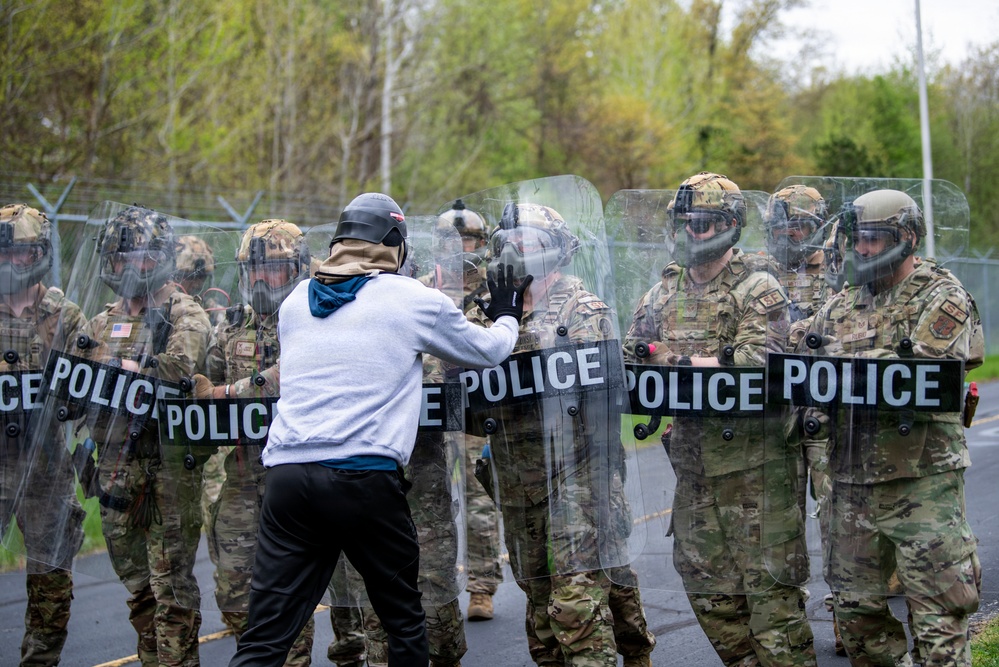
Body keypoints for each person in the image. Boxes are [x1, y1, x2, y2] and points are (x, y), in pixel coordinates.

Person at [227, 192, 527, 667]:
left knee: (265, 636)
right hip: (361, 477)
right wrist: (509, 312)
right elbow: (487, 350)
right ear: (395, 245)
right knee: (403, 622)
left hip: (286, 477)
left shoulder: (295, 302)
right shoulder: (411, 298)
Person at [625, 172, 816, 666]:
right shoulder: (662, 294)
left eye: (705, 223)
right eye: (685, 222)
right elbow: (628, 359)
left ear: (730, 226)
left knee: (774, 609)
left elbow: (760, 363)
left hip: (759, 474)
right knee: (707, 592)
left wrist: (674, 361)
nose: (693, 232)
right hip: (694, 473)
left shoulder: (759, 287)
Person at [466, 202, 654, 667]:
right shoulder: (483, 314)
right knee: (539, 604)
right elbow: (464, 402)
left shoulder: (582, 307)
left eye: (525, 242)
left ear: (553, 253)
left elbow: (590, 395)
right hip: (516, 479)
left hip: (579, 473)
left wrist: (507, 339)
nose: (513, 251)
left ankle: (628, 655)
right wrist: (494, 324)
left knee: (575, 603)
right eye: (505, 243)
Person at [800, 189, 982, 666]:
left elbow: (928, 362)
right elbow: (799, 361)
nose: (861, 249)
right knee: (858, 622)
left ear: (906, 237)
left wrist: (838, 363)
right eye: (856, 238)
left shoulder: (942, 294)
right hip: (852, 485)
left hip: (922, 486)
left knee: (939, 625)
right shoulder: (841, 304)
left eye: (873, 239)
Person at [77, 204, 212, 666]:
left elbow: (179, 372)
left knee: (171, 590)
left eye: (139, 258)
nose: (128, 268)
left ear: (158, 260)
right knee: (140, 594)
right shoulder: (102, 321)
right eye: (120, 259)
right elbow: (79, 387)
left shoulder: (184, 312)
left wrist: (134, 370)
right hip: (116, 474)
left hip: (168, 472)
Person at [205, 220, 314, 664]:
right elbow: (200, 391)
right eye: (252, 266)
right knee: (233, 592)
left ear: (297, 269)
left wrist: (229, 392)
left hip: (298, 480)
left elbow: (289, 378)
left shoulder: (315, 320)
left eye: (272, 266)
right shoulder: (231, 328)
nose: (260, 277)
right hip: (241, 478)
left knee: (288, 593)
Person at [0, 203, 86, 666]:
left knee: (51, 584)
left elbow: (88, 390)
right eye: (7, 252)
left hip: (47, 464)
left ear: (41, 254)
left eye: (25, 252)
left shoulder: (64, 315)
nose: (15, 261)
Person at [764, 185, 845, 654]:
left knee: (835, 511)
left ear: (818, 226)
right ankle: (786, 620)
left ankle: (847, 612)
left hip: (824, 411)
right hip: (774, 414)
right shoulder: (756, 271)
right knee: (777, 518)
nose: (791, 235)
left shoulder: (841, 268)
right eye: (782, 227)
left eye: (801, 226)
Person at [436, 200, 502, 621]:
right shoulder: (420, 288)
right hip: (431, 416)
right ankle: (436, 591)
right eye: (451, 240)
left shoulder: (496, 292)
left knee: (479, 505)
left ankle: (481, 588)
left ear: (482, 243)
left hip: (477, 413)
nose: (461, 247)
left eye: (469, 239)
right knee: (434, 506)